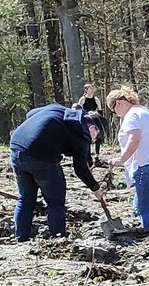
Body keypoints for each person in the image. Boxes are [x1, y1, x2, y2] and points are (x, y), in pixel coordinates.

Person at [8, 103, 105, 242]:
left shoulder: (58, 109)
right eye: (96, 138)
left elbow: (30, 114)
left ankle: (21, 238)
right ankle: (58, 239)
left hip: (17, 148)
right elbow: (80, 169)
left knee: (25, 198)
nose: (94, 141)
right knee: (55, 201)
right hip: (42, 156)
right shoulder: (82, 131)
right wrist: (96, 189)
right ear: (92, 128)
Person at [104, 86, 149, 233]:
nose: (116, 114)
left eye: (114, 110)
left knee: (142, 208)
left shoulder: (132, 115)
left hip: (147, 168)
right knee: (141, 203)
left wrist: (121, 160)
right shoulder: (146, 113)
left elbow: (134, 139)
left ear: (119, 103)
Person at [74, 83, 104, 159]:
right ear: (86, 90)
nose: (92, 90)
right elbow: (78, 110)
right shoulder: (82, 99)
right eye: (90, 88)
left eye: (93, 88)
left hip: (94, 119)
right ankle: (88, 156)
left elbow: (100, 111)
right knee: (87, 137)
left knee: (98, 137)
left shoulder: (96, 99)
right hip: (86, 120)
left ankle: (97, 156)